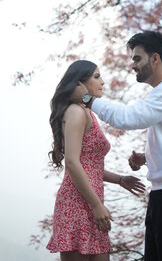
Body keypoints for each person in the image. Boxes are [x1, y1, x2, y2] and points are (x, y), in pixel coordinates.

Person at [72, 31, 162, 261]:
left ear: (155, 58)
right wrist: (147, 156)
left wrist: (87, 100)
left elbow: (128, 118)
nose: (133, 64)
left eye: (137, 58)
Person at [46, 60, 145, 261]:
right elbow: (73, 163)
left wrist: (119, 179)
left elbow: (89, 166)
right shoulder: (76, 112)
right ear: (79, 83)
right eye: (97, 77)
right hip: (77, 203)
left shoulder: (88, 112)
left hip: (92, 202)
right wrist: (97, 205)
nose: (103, 82)